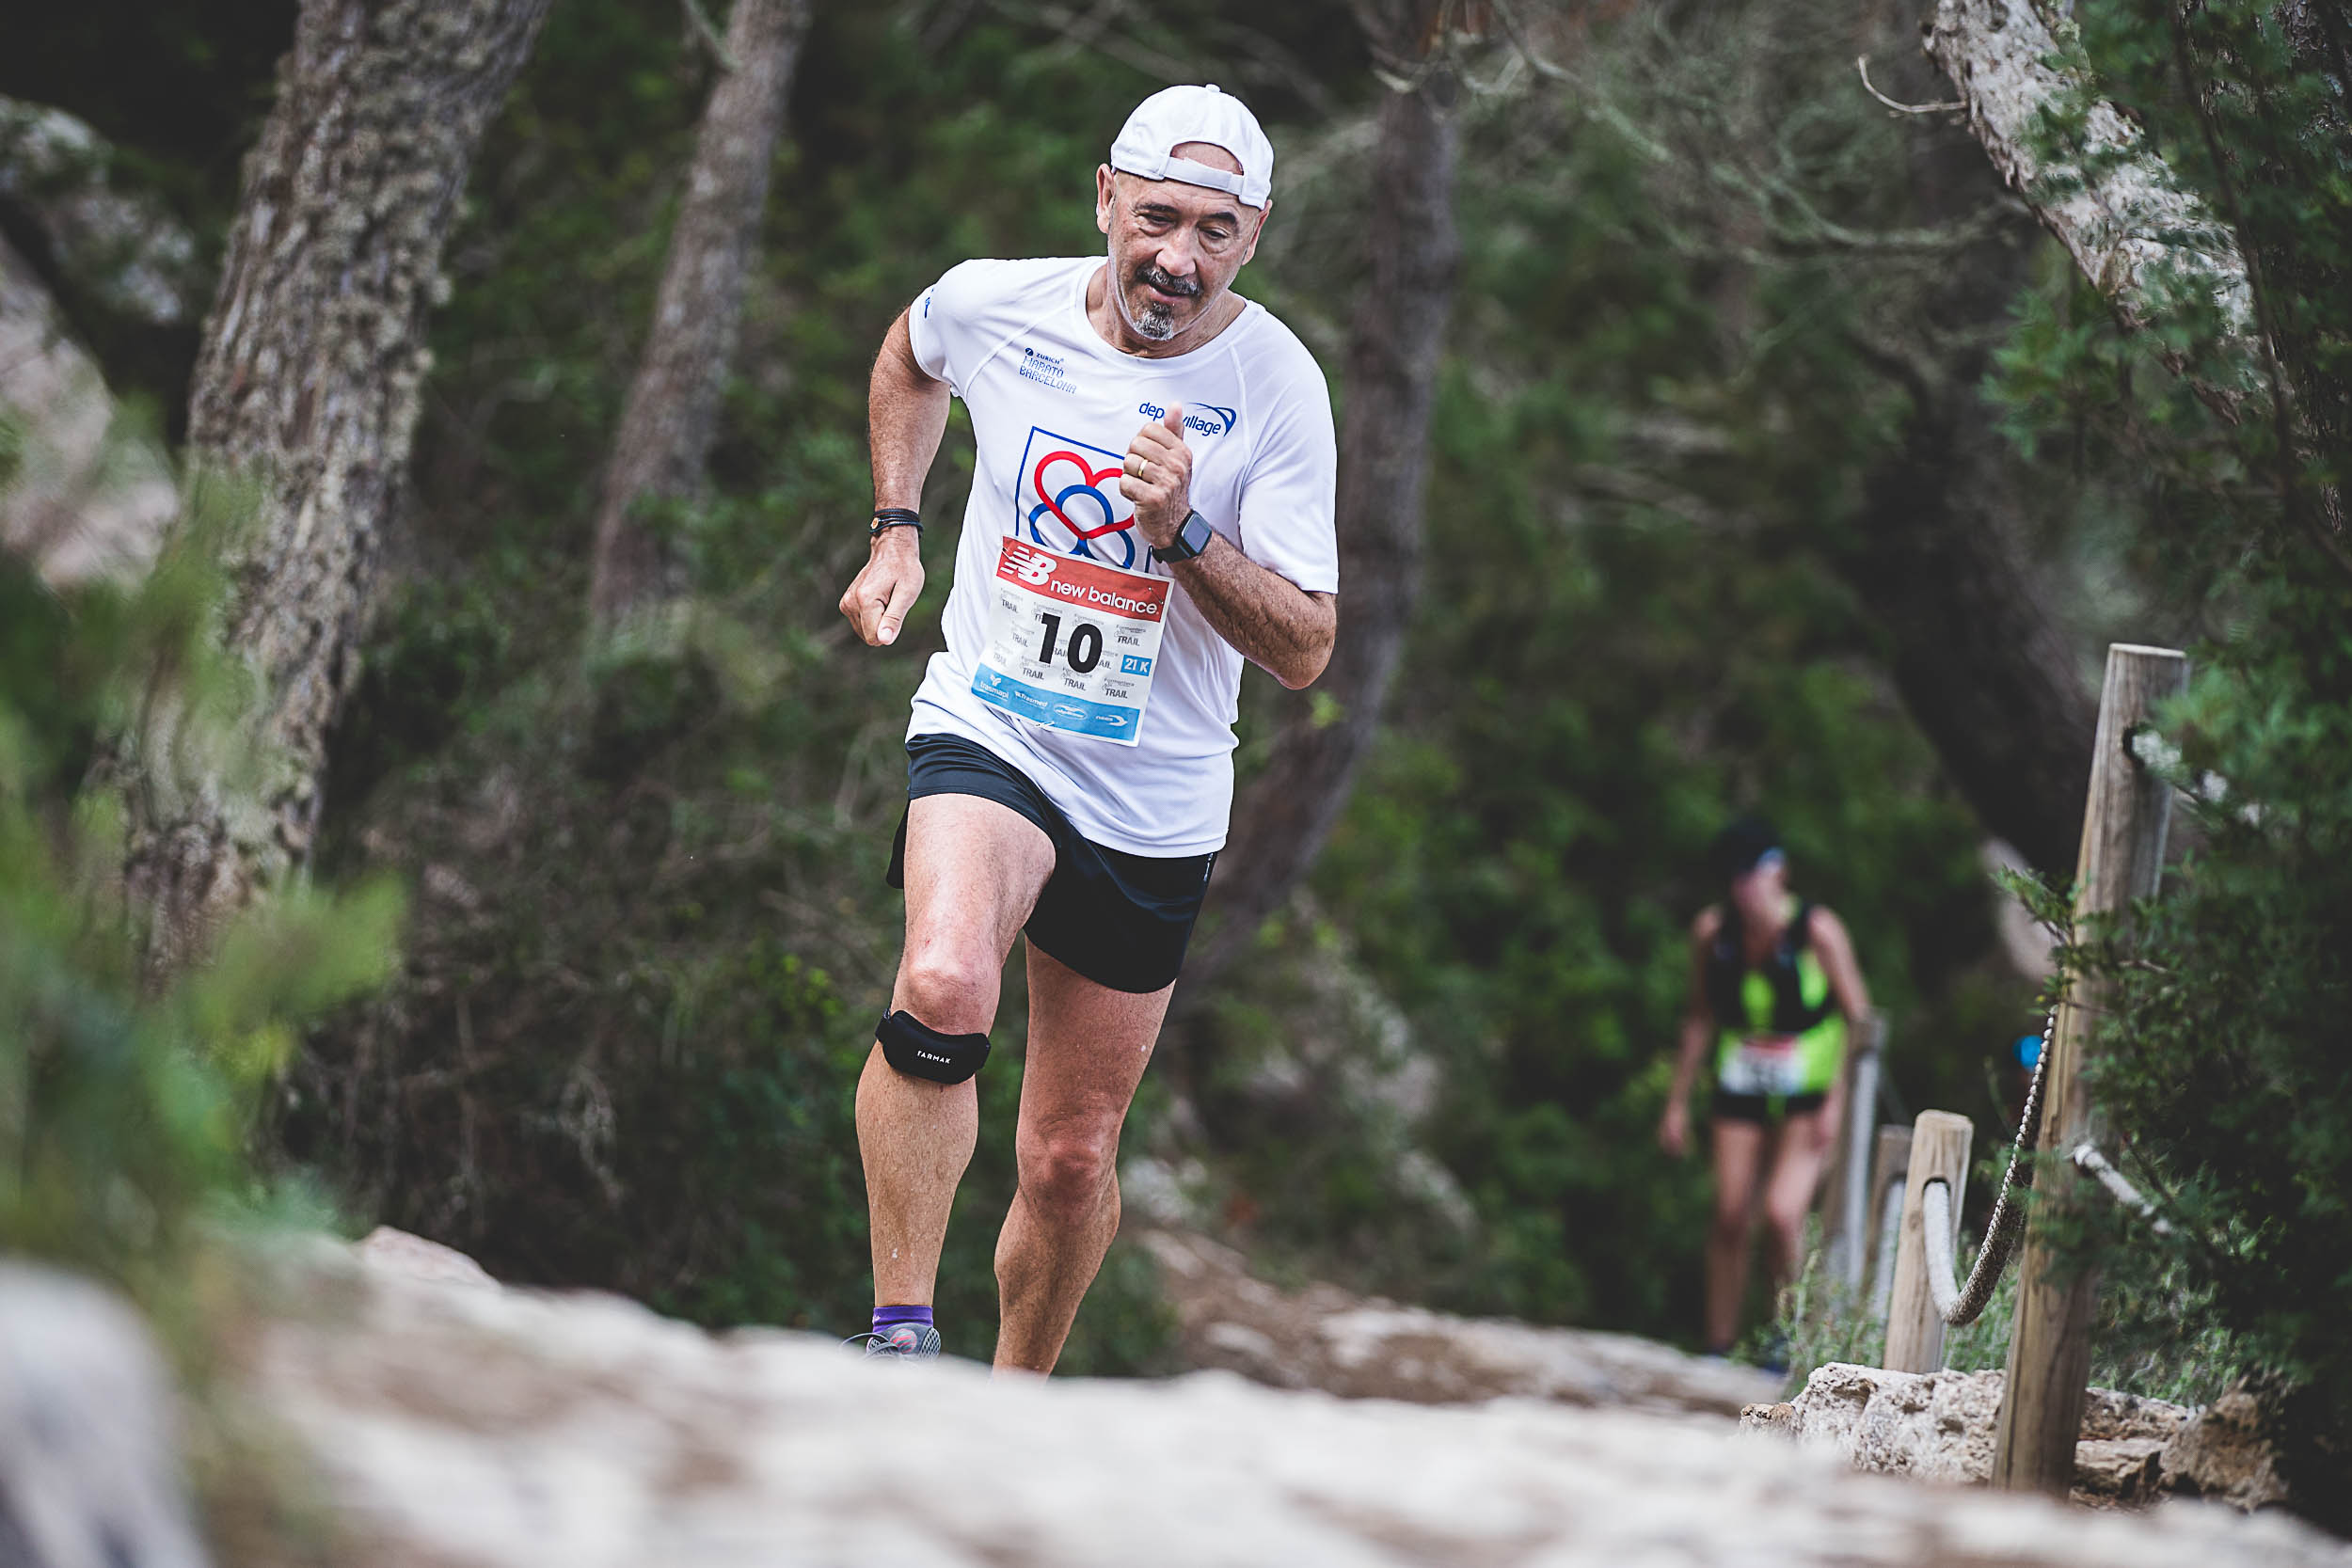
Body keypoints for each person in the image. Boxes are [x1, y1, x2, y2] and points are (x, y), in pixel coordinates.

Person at [834, 85, 1338, 1367]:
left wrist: (1184, 532)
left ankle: (1013, 1403)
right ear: (1105, 199)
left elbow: (1304, 646)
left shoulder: (1277, 386)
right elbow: (909, 355)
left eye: (1214, 231)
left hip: (1150, 792)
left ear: (1254, 235)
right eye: (1157, 217)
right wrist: (897, 529)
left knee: (1069, 1157)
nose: (1179, 258)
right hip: (993, 723)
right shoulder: (998, 305)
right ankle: (899, 1343)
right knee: (943, 981)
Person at [1657, 816, 1872, 1358]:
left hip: (1809, 1091)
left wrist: (1838, 1100)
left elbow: (1860, 1022)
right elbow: (1699, 1016)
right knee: (1730, 1212)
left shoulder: (1818, 931)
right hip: (1741, 1082)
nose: (1744, 887)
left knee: (1781, 1216)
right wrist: (1676, 1103)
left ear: (1778, 871)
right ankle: (1719, 1342)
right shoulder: (1714, 933)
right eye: (1735, 876)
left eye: (1752, 873)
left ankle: (1787, 1335)